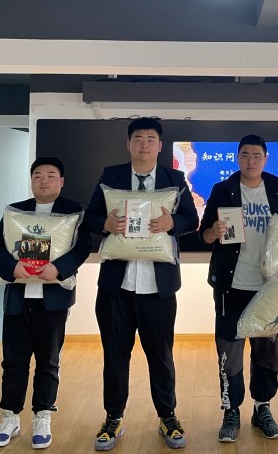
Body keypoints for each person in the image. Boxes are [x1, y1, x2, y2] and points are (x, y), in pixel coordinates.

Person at [85, 117, 199, 451]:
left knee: (161, 357)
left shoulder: (174, 179)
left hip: (157, 287)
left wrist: (172, 222)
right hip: (116, 288)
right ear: (128, 144)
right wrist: (105, 224)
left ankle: (168, 416)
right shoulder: (111, 176)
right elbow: (90, 217)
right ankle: (113, 418)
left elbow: (192, 220)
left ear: (160, 146)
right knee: (115, 356)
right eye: (138, 138)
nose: (144, 145)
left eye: (150, 139)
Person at [199, 135, 278, 442]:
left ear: (265, 159)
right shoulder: (222, 190)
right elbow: (202, 235)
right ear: (237, 157)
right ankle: (231, 411)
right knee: (229, 351)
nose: (251, 161)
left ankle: (263, 409)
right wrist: (212, 232)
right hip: (231, 285)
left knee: (266, 351)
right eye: (245, 155)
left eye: (256, 155)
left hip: (269, 287)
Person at [0, 156, 92, 449]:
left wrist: (58, 268)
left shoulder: (73, 211)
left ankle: (42, 416)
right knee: (14, 361)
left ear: (62, 181)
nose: (43, 180)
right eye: (37, 175)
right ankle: (9, 417)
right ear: (31, 180)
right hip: (17, 298)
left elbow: (82, 247)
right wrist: (12, 268)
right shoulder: (16, 211)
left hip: (53, 300)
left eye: (50, 175)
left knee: (48, 361)